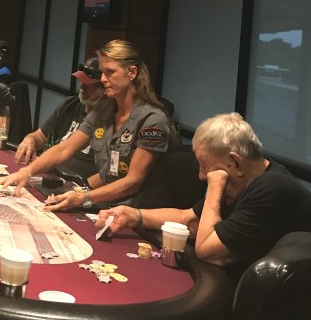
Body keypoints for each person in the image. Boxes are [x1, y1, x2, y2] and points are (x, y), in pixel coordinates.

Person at [95, 112, 311, 273]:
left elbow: (210, 252)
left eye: (204, 165)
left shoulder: (272, 188)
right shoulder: (240, 180)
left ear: (235, 162)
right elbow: (190, 219)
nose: (201, 175)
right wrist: (134, 215)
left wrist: (215, 185)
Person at [0, 40, 170, 210]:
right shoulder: (104, 109)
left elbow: (133, 181)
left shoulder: (153, 120)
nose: (103, 79)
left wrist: (85, 197)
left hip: (132, 213)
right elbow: (64, 149)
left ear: (132, 72)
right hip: (101, 204)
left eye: (110, 72)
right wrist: (27, 172)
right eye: (102, 72)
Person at [15, 56, 112, 181]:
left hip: (79, 184)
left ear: (104, 87)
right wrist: (31, 140)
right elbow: (42, 137)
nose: (82, 86)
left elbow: (111, 174)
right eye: (81, 81)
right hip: (51, 174)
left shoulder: (111, 117)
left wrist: (84, 188)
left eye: (89, 84)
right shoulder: (71, 105)